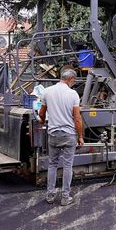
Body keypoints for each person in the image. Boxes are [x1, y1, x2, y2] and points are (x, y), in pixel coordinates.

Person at [37, 69, 84, 206]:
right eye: (73, 81)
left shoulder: (47, 91)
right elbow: (77, 118)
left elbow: (41, 113)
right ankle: (65, 197)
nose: (73, 83)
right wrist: (80, 136)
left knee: (52, 164)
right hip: (69, 134)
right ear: (70, 79)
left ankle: (50, 195)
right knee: (67, 165)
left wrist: (41, 120)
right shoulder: (73, 94)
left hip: (53, 134)